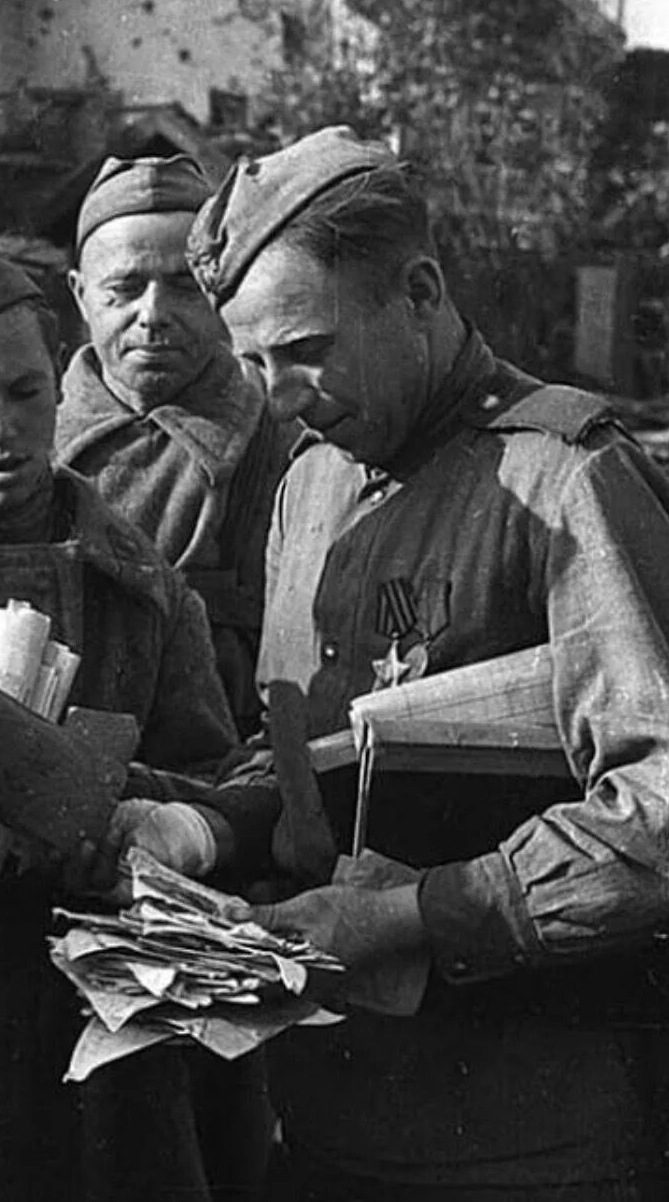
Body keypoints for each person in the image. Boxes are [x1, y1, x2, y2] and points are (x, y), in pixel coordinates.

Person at [174, 124, 669, 1199]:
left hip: (522, 1145)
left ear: (420, 291)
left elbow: (658, 805)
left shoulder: (564, 481)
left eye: (303, 348)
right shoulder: (307, 484)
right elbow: (309, 756)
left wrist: (409, 914)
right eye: (252, 364)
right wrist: (201, 824)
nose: (278, 396)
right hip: (325, 1121)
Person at [0, 236, 277, 1202]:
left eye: (25, 393)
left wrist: (126, 822)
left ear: (63, 384)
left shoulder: (137, 582)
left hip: (97, 1038)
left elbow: (214, 783)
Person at [57, 153, 290, 738]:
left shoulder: (280, 439)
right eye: (125, 289)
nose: (152, 316)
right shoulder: (25, 441)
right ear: (81, 296)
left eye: (184, 288)